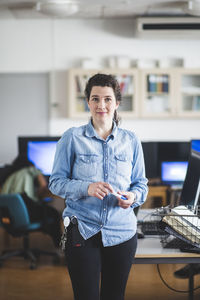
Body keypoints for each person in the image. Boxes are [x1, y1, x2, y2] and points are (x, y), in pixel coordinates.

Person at [49, 73, 148, 300]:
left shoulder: (131, 141)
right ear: (88, 102)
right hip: (82, 229)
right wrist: (87, 187)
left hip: (122, 233)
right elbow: (55, 182)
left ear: (117, 103)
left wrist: (133, 197)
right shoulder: (71, 138)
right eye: (95, 99)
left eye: (107, 99)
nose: (101, 105)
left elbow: (141, 183)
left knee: (114, 296)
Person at [0, 155, 62, 248]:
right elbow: (43, 187)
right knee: (55, 214)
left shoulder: (9, 177)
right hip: (26, 211)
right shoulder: (31, 169)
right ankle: (60, 246)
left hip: (8, 217)